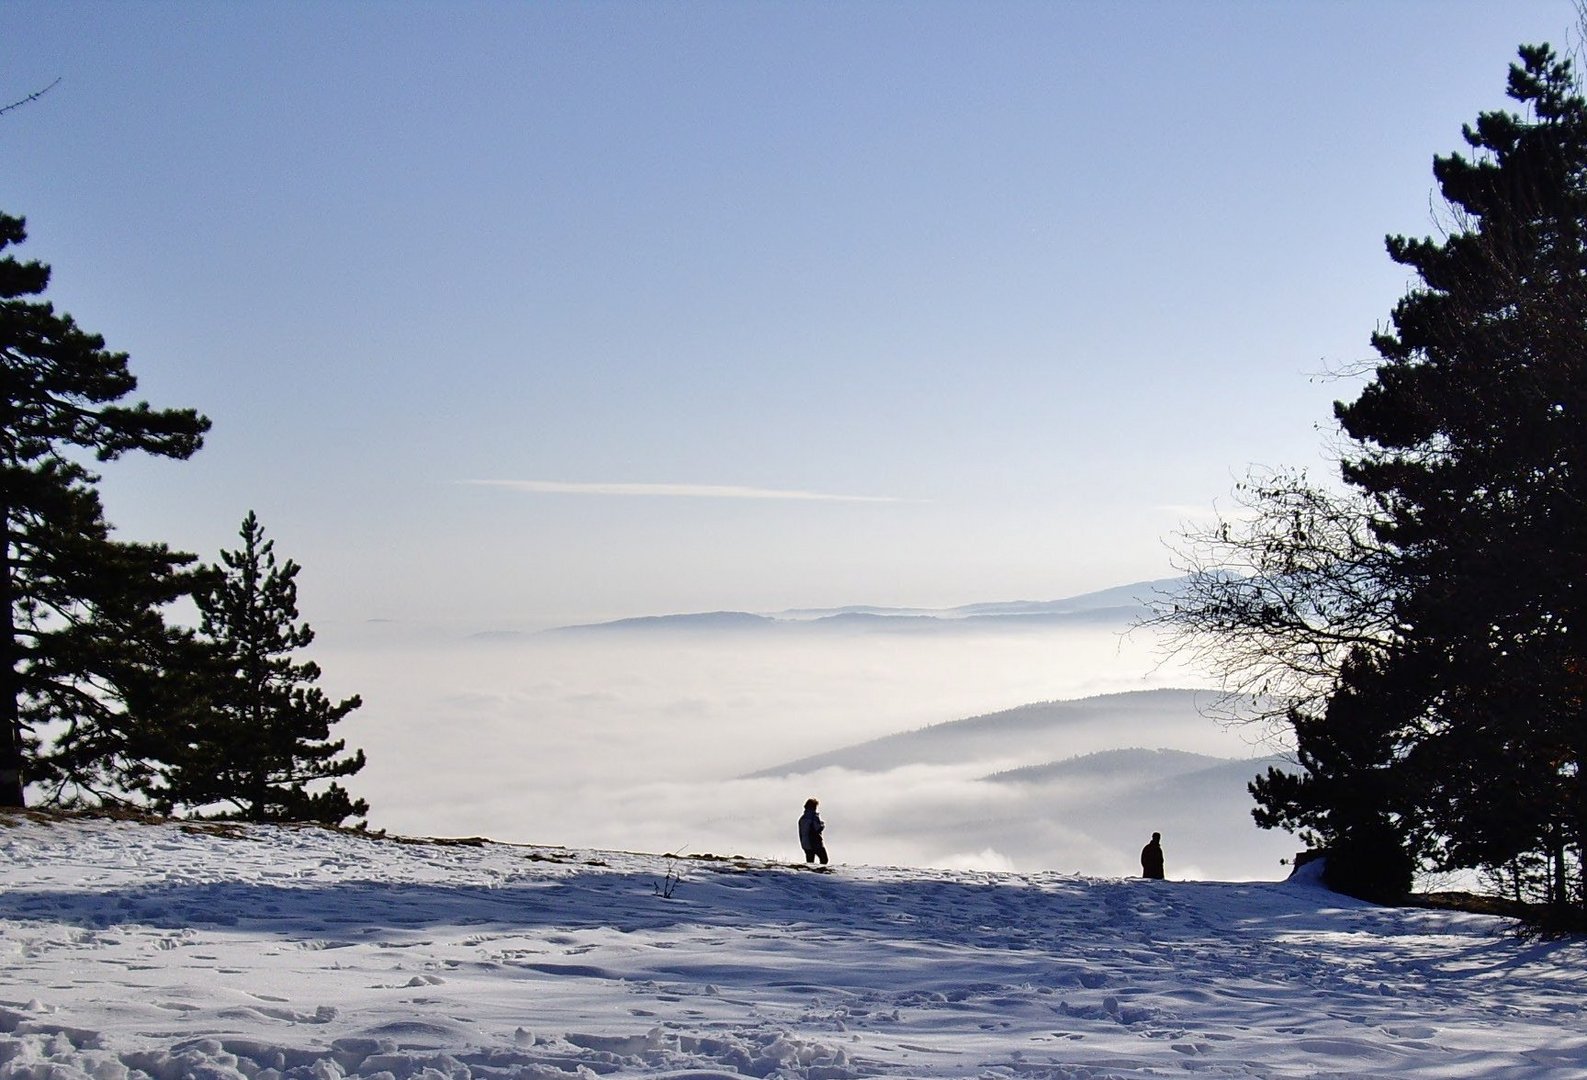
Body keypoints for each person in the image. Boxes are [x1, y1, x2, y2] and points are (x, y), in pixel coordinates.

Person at [798, 797, 828, 865]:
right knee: (824, 859)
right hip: (815, 843)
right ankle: (821, 874)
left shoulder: (802, 818)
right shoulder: (814, 817)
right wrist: (822, 825)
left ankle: (810, 875)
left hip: (805, 843)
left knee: (810, 862)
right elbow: (817, 828)